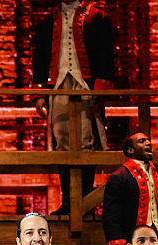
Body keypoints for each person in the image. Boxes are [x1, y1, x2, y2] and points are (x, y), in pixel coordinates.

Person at [32, 0, 114, 215]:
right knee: (62, 142)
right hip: (58, 86)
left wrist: (101, 88)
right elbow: (39, 58)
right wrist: (40, 94)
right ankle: (68, 200)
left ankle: (85, 201)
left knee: (86, 141)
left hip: (85, 86)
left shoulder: (98, 17)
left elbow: (106, 55)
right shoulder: (48, 22)